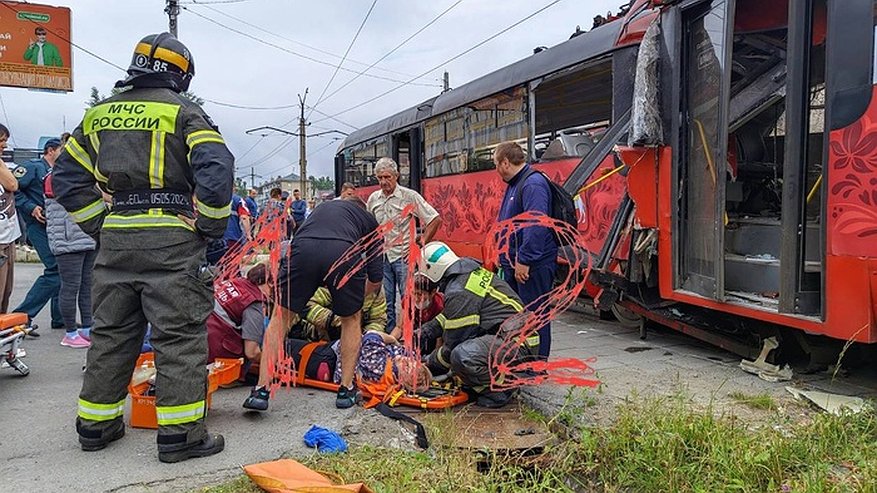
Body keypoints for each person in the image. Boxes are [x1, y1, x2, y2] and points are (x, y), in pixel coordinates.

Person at [53, 33, 233, 463]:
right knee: (179, 337)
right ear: (181, 75)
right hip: (171, 241)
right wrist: (209, 226)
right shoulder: (185, 112)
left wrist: (100, 225)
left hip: (116, 242)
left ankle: (96, 426)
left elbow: (66, 179)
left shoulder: (98, 115)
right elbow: (216, 166)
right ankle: (181, 437)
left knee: (112, 334)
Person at [243, 196, 383, 411]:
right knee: (350, 320)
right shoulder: (368, 220)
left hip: (303, 249)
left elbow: (298, 241)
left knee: (280, 318)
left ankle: (261, 390)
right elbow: (375, 281)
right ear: (361, 210)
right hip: (343, 252)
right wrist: (351, 301)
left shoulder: (320, 209)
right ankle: (346, 390)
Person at [420, 241, 539, 408]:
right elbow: (449, 317)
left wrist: (426, 363)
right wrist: (423, 332)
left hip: (516, 344)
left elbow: (452, 345)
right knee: (463, 356)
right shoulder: (465, 277)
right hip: (514, 339)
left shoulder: (459, 291)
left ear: (431, 270)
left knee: (462, 356)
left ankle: (499, 391)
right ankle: (490, 379)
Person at [494, 141, 557, 359]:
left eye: (496, 164)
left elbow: (536, 223)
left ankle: (537, 364)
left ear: (504, 162)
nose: (496, 170)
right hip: (515, 263)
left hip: (531, 266)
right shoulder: (515, 184)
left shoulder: (532, 184)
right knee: (521, 315)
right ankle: (523, 359)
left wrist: (525, 259)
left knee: (535, 314)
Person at [367, 157, 442, 331]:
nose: (384, 182)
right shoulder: (373, 199)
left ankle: (410, 336)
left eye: (387, 177)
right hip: (383, 257)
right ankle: (390, 336)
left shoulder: (409, 196)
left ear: (396, 176)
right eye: (380, 178)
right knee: (386, 301)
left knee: (408, 299)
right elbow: (368, 226)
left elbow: (434, 219)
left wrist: (421, 243)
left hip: (404, 257)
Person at [12, 138, 64, 333]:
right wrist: (31, 207)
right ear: (51, 150)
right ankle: (22, 316)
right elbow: (13, 190)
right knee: (55, 269)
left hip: (56, 226)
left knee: (62, 269)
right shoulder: (32, 167)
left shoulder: (60, 171)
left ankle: (59, 317)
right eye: (61, 150)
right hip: (37, 226)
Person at [44, 169, 96, 348]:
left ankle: (87, 328)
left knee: (87, 285)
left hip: (88, 236)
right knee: (70, 286)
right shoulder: (56, 175)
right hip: (67, 239)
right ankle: (70, 333)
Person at [207, 263, 271, 366]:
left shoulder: (236, 282)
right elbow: (252, 352)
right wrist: (274, 362)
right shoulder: (254, 303)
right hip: (215, 354)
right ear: (271, 283)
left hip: (197, 336)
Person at [295, 284, 387, 342]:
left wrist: (369, 336)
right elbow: (306, 305)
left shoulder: (376, 289)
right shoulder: (336, 282)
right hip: (321, 337)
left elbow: (378, 320)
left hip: (357, 338)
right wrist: (336, 320)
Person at [389, 273, 444, 354]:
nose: (416, 299)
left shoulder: (440, 305)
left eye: (420, 294)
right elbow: (399, 327)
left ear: (433, 292)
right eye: (413, 293)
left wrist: (433, 361)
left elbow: (440, 338)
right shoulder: (408, 300)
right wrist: (388, 342)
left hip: (434, 336)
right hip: (416, 333)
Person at [0, 124, 20, 313]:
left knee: (6, 291)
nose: (4, 145)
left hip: (8, 234)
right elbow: (13, 184)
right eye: (1, 141)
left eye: (5, 141)